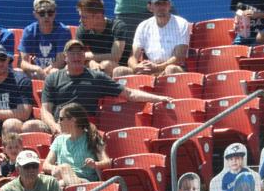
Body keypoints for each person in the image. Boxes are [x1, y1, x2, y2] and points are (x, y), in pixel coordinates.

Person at [40, 39, 168, 135]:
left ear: (84, 56)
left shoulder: (96, 77)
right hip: (58, 125)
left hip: (84, 128)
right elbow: (45, 110)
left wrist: (159, 98)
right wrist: (54, 127)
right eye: (72, 53)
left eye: (80, 53)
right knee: (32, 126)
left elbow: (129, 94)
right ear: (65, 57)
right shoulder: (53, 78)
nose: (76, 56)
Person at [119, 0, 189, 77]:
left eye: (164, 3)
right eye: (157, 4)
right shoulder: (143, 26)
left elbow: (179, 58)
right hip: (150, 69)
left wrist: (157, 67)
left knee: (170, 69)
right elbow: (132, 57)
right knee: (120, 71)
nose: (161, 7)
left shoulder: (181, 23)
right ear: (150, 7)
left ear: (169, 5)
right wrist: (137, 67)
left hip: (174, 69)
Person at [42, 102, 110, 185]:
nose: (58, 122)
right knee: (61, 179)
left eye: (61, 119)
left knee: (61, 179)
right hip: (63, 180)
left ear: (73, 120)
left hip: (87, 184)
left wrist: (95, 164)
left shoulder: (91, 137)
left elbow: (107, 162)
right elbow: (46, 165)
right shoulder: (59, 140)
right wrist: (58, 169)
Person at [18, 0, 72, 80]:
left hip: (56, 73)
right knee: (19, 72)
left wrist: (44, 72)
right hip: (36, 72)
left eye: (50, 12)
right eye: (42, 13)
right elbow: (22, 62)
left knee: (54, 71)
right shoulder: (29, 31)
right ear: (35, 14)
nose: (46, 16)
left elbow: (60, 62)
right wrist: (37, 69)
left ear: (55, 13)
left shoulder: (63, 31)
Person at [76, 0, 129, 76]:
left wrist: (87, 56)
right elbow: (76, 54)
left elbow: (115, 57)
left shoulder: (118, 26)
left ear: (98, 16)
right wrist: (91, 62)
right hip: (95, 66)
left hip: (120, 70)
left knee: (106, 65)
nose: (80, 20)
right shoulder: (83, 28)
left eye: (84, 17)